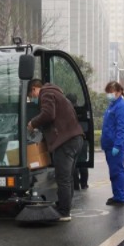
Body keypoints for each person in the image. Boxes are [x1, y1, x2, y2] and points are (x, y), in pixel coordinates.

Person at [27, 79, 84, 221]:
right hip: (76, 139)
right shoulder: (57, 93)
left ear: (35, 89)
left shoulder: (45, 94)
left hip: (65, 142)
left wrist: (32, 123)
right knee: (68, 177)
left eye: (31, 95)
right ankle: (65, 206)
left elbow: (48, 114)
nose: (33, 99)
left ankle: (64, 212)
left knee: (63, 178)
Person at [101, 81, 124, 206]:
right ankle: (116, 195)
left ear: (118, 92)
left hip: (115, 146)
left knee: (117, 171)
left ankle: (120, 197)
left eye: (111, 92)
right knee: (113, 172)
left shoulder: (121, 106)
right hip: (109, 145)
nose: (109, 95)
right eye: (108, 92)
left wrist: (118, 145)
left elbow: (122, 128)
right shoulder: (112, 105)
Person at [67, 93, 89, 190]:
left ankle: (76, 185)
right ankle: (84, 184)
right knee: (83, 161)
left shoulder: (67, 111)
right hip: (83, 140)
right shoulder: (82, 111)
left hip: (72, 140)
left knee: (73, 163)